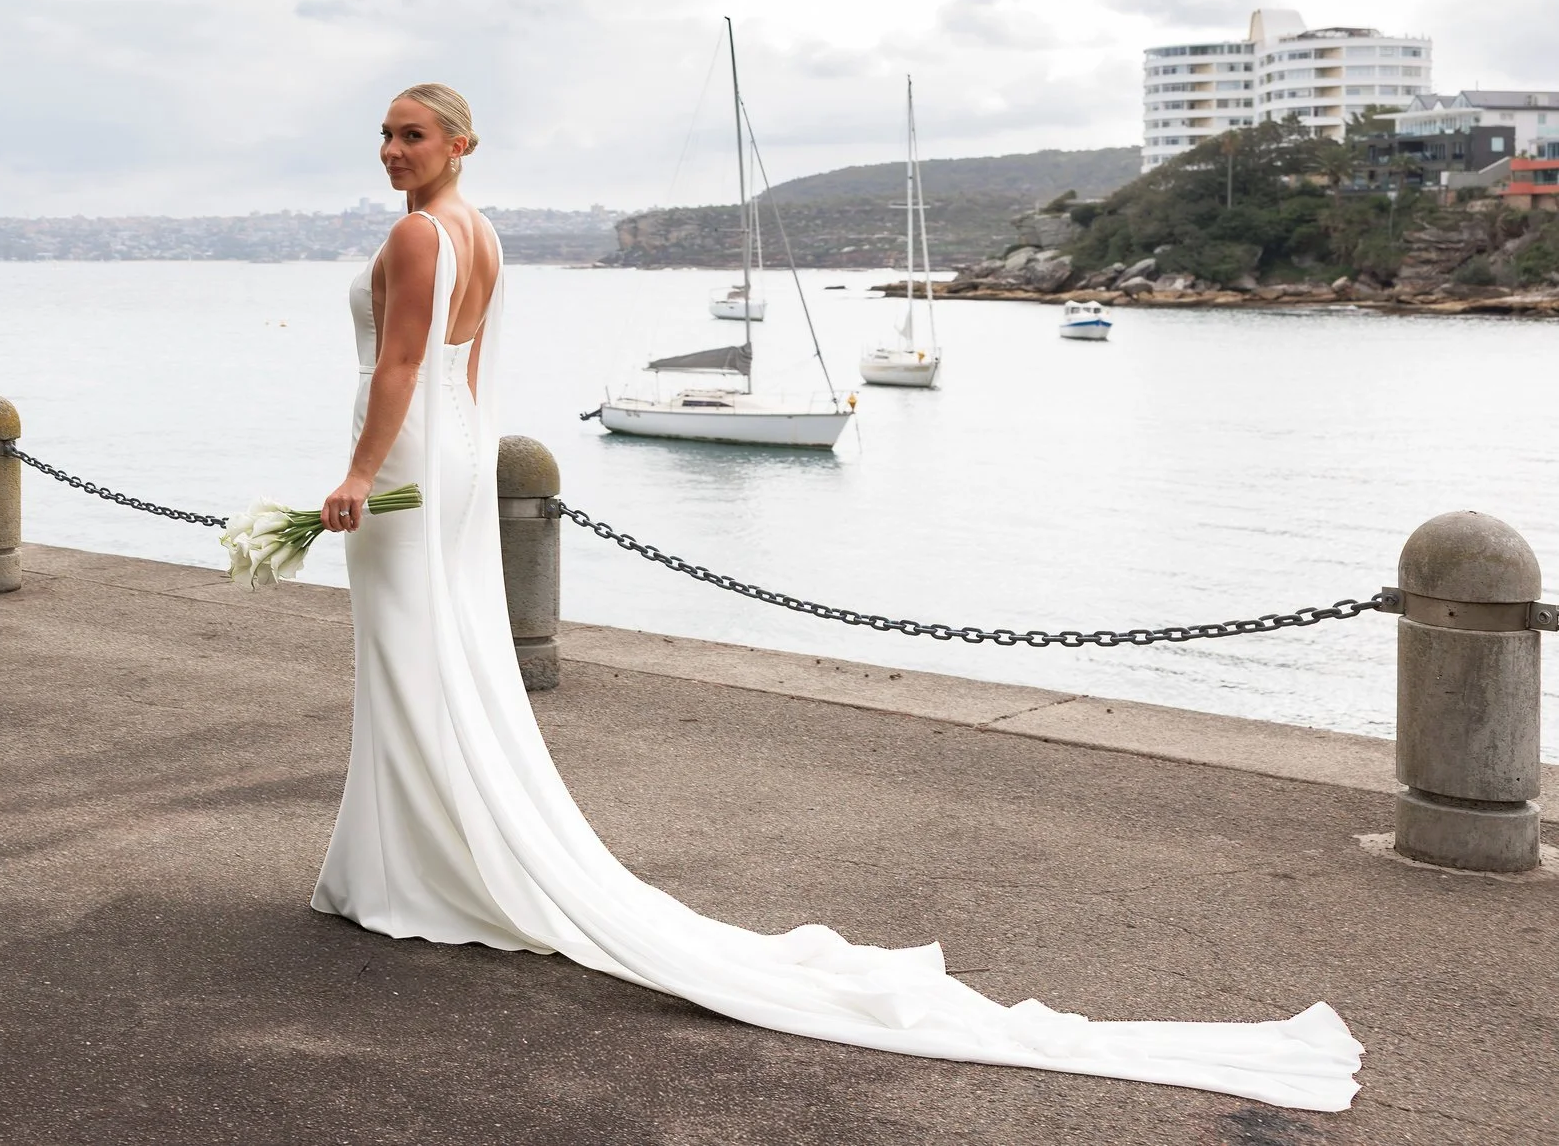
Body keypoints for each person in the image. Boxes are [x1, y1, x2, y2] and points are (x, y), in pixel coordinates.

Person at [311, 82, 1362, 1113]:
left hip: (408, 449)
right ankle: (425, 851)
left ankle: (414, 867)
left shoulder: (417, 240)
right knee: (434, 650)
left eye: (411, 134)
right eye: (385, 133)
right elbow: (470, 366)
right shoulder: (478, 232)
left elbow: (403, 361)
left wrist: (360, 473)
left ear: (459, 142)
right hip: (452, 448)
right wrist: (449, 458)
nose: (391, 148)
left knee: (409, 650)